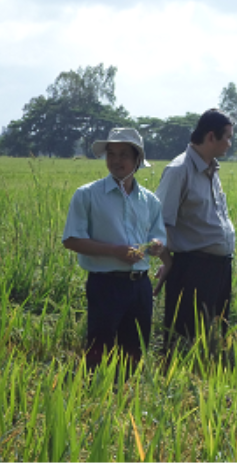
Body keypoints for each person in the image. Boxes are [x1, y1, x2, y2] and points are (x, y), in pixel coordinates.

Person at [62, 128, 167, 369]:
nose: (116, 160)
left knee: (134, 352)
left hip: (140, 285)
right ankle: (94, 400)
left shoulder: (150, 201)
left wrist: (156, 247)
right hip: (105, 285)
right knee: (99, 352)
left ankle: (126, 401)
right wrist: (115, 251)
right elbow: (71, 240)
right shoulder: (87, 195)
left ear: (138, 160)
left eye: (123, 155)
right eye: (111, 154)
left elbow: (157, 238)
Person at [155, 108, 235, 349]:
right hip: (192, 270)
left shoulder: (212, 169)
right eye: (227, 137)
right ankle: (176, 383)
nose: (230, 144)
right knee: (184, 340)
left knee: (213, 340)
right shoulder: (179, 170)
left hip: (219, 269)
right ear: (211, 137)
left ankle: (205, 382)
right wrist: (168, 262)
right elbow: (158, 224)